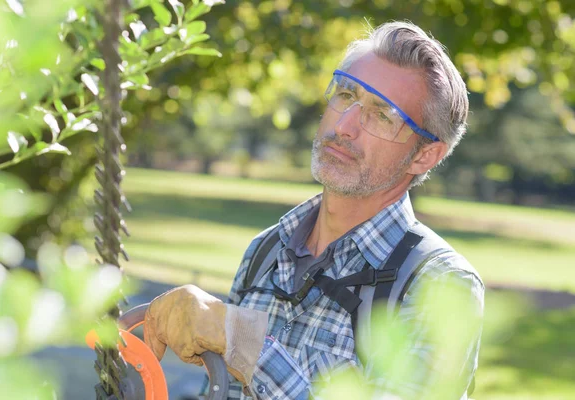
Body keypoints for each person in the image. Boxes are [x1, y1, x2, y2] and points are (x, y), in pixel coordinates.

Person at [143, 20, 485, 400]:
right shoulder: (265, 252)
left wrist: (243, 342)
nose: (345, 125)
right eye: (345, 94)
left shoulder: (439, 285)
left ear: (425, 155)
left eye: (382, 114)